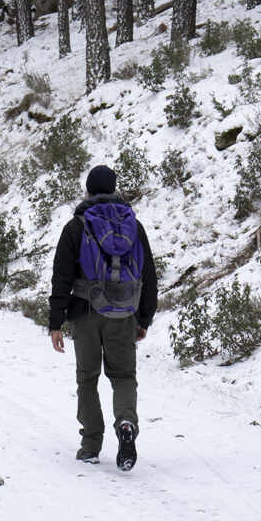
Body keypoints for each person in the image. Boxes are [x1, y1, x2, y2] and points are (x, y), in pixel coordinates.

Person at [47, 164, 158, 470]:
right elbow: (149, 274)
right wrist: (144, 318)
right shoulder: (134, 226)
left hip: (84, 312)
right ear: (114, 188)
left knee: (88, 378)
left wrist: (55, 322)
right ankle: (125, 422)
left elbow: (62, 276)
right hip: (124, 313)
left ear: (88, 190)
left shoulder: (76, 226)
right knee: (122, 376)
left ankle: (91, 445)